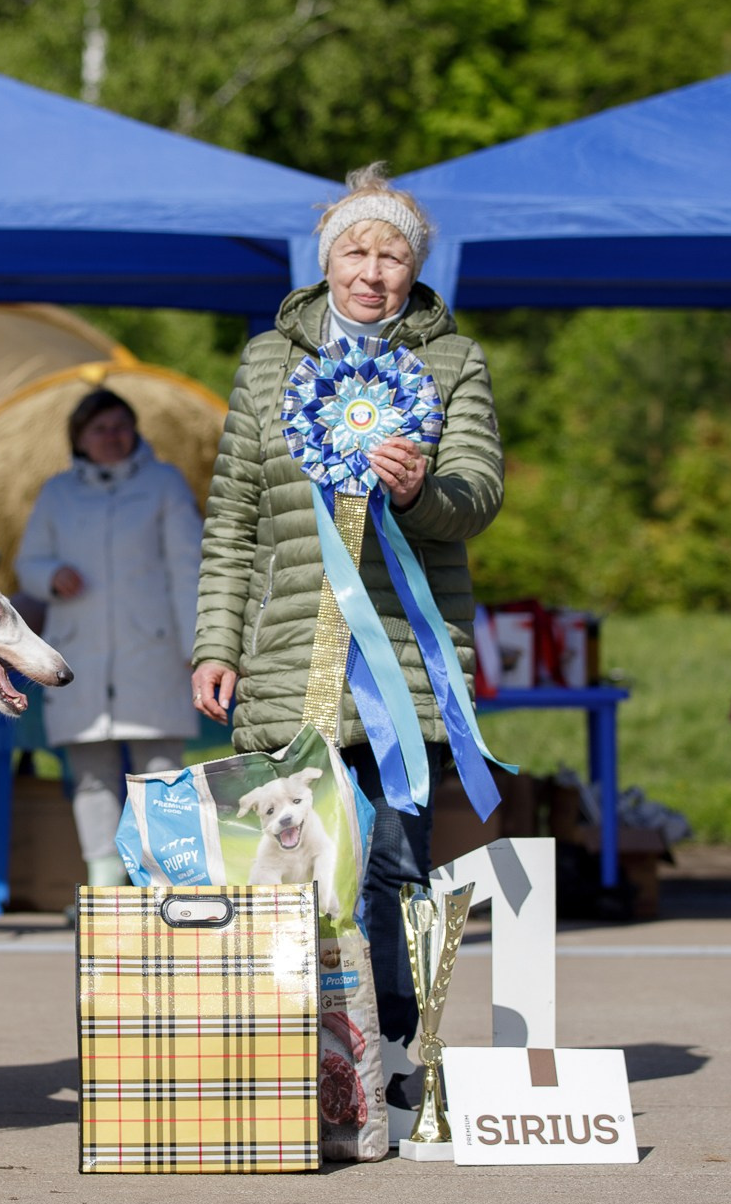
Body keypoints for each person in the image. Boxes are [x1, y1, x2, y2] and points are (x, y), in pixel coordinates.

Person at [190, 164, 503, 1107]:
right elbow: (234, 517)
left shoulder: (453, 360)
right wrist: (216, 643)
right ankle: (292, 1068)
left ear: (416, 268)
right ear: (325, 260)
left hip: (405, 657)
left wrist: (421, 492)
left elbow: (479, 493)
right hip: (291, 657)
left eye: (392, 255)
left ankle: (399, 1064)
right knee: (290, 871)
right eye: (355, 251)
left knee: (396, 866)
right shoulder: (266, 361)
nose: (372, 271)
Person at [14, 389, 203, 889]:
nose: (112, 437)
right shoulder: (57, 492)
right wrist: (51, 575)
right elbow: (28, 564)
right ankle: (104, 887)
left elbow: (188, 566)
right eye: (99, 429)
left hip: (154, 651)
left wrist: (197, 647)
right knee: (90, 775)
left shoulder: (164, 482)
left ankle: (167, 886)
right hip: (81, 654)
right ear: (79, 438)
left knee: (161, 773)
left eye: (121, 426)